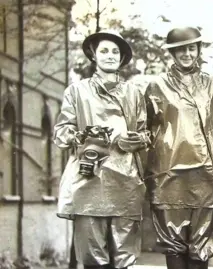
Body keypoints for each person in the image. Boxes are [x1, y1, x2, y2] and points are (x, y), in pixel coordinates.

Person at [144, 26, 213, 269]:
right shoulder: (156, 87)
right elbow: (143, 129)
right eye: (181, 49)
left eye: (191, 48)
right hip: (168, 178)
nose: (187, 54)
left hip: (207, 178)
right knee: (174, 249)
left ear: (199, 50)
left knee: (202, 251)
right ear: (172, 52)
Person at [53, 29, 150, 269]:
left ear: (122, 58)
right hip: (88, 182)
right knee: (92, 259)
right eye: (104, 50)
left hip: (125, 183)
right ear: (93, 55)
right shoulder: (76, 91)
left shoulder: (133, 93)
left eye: (115, 51)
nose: (110, 55)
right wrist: (83, 136)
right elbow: (61, 133)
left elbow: (146, 133)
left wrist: (135, 139)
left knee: (124, 260)